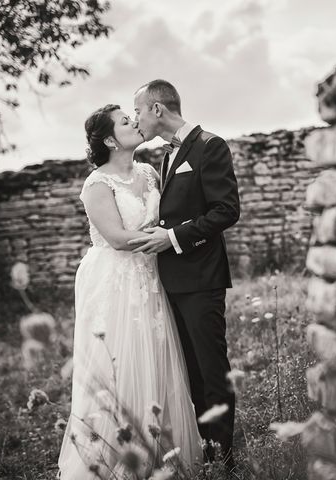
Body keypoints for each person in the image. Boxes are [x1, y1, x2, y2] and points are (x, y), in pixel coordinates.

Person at [57, 104, 203, 478]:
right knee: (120, 357)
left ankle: (162, 453)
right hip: (115, 279)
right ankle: (117, 458)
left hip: (151, 275)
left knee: (156, 354)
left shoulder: (150, 173)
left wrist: (175, 236)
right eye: (125, 122)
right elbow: (119, 239)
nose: (135, 123)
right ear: (109, 139)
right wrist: (165, 238)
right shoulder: (97, 185)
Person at [129, 80, 240, 471]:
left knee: (212, 370)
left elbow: (226, 211)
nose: (136, 117)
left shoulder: (210, 145)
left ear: (157, 109)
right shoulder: (163, 156)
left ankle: (224, 458)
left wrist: (173, 236)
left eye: (139, 109)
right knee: (190, 372)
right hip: (171, 283)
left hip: (202, 280)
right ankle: (207, 451)